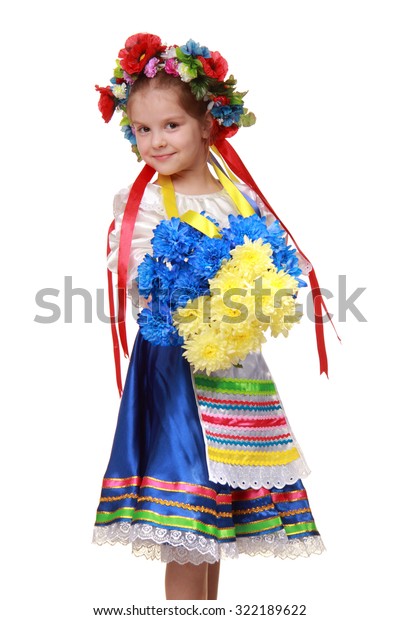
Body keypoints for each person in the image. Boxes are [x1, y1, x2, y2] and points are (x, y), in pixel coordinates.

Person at [93, 33, 326, 601]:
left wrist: (258, 292)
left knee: (216, 520)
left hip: (236, 366)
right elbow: (136, 276)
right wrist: (201, 288)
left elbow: (279, 261)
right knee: (187, 523)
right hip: (176, 373)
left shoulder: (238, 195)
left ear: (207, 123)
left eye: (170, 125)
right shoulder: (143, 203)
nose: (155, 141)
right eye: (143, 129)